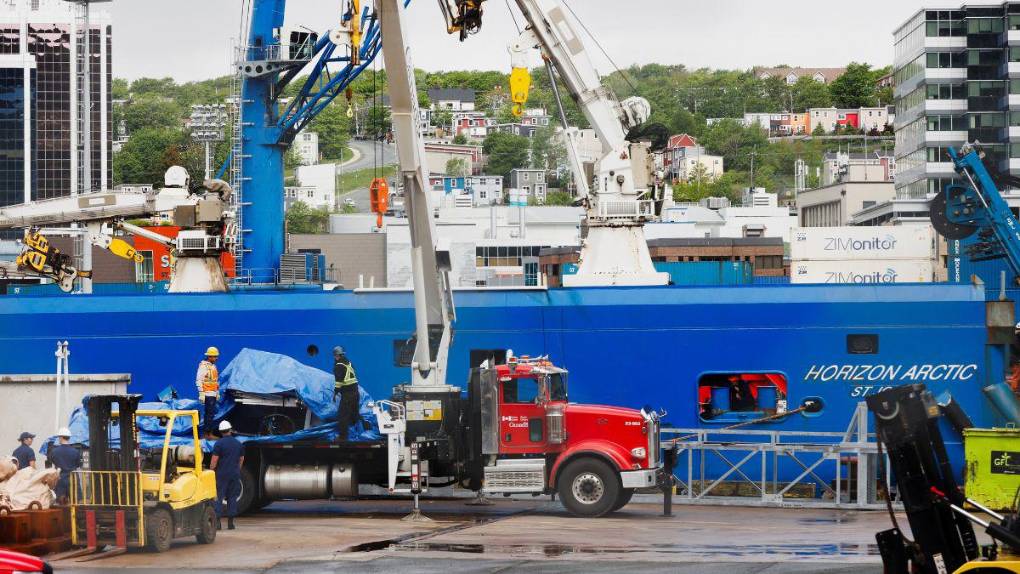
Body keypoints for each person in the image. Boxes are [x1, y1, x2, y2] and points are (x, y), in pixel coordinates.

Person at [210, 420, 243, 530]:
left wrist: (211, 470)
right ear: (230, 430)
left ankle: (218, 523)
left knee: (219, 497)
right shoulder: (238, 443)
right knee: (232, 497)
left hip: (221, 474)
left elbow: (214, 460)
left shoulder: (219, 444)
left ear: (221, 432)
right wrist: (237, 470)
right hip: (234, 474)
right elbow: (241, 459)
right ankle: (231, 523)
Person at [333, 346, 360, 442]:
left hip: (348, 395)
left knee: (342, 415)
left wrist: (335, 392)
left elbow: (338, 381)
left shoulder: (338, 366)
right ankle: (359, 432)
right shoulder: (349, 363)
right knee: (354, 414)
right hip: (356, 392)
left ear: (336, 355)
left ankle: (343, 437)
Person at [47, 428, 81, 504]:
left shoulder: (54, 451)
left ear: (61, 437)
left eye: (59, 437)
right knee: (75, 503)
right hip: (73, 478)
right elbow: (78, 464)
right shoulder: (75, 451)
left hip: (60, 479)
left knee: (61, 502)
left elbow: (52, 462)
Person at [196, 347, 221, 438]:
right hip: (207, 394)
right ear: (209, 357)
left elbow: (215, 381)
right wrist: (201, 393)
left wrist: (217, 392)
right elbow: (199, 380)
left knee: (211, 414)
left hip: (213, 394)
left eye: (216, 356)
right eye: (214, 356)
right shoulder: (203, 366)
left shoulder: (213, 366)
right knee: (209, 414)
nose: (216, 358)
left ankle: (209, 433)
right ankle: (207, 434)